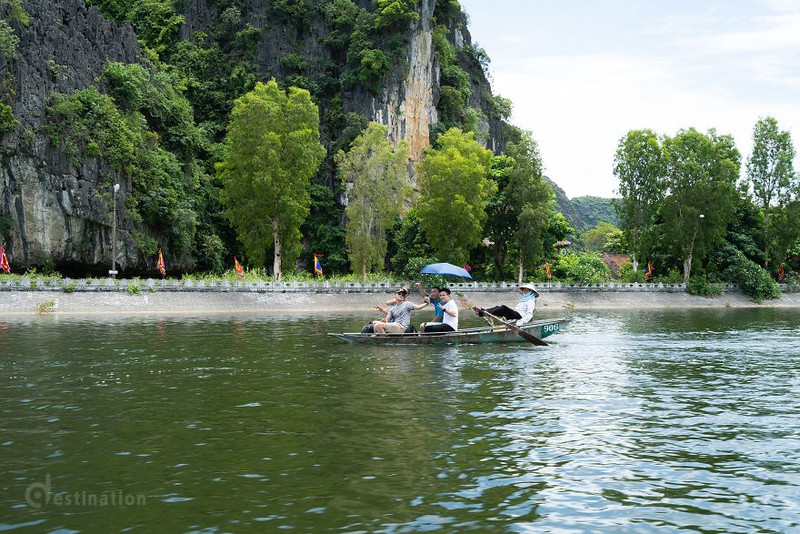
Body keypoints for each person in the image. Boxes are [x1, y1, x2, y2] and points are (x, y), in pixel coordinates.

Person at [474, 283, 539, 324]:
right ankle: (483, 312)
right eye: (524, 290)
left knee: (503, 308)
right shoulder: (524, 300)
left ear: (531, 292)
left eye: (526, 290)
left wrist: (520, 322)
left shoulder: (530, 301)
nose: (524, 291)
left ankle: (484, 312)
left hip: (520, 317)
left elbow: (529, 314)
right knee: (498, 307)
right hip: (515, 315)